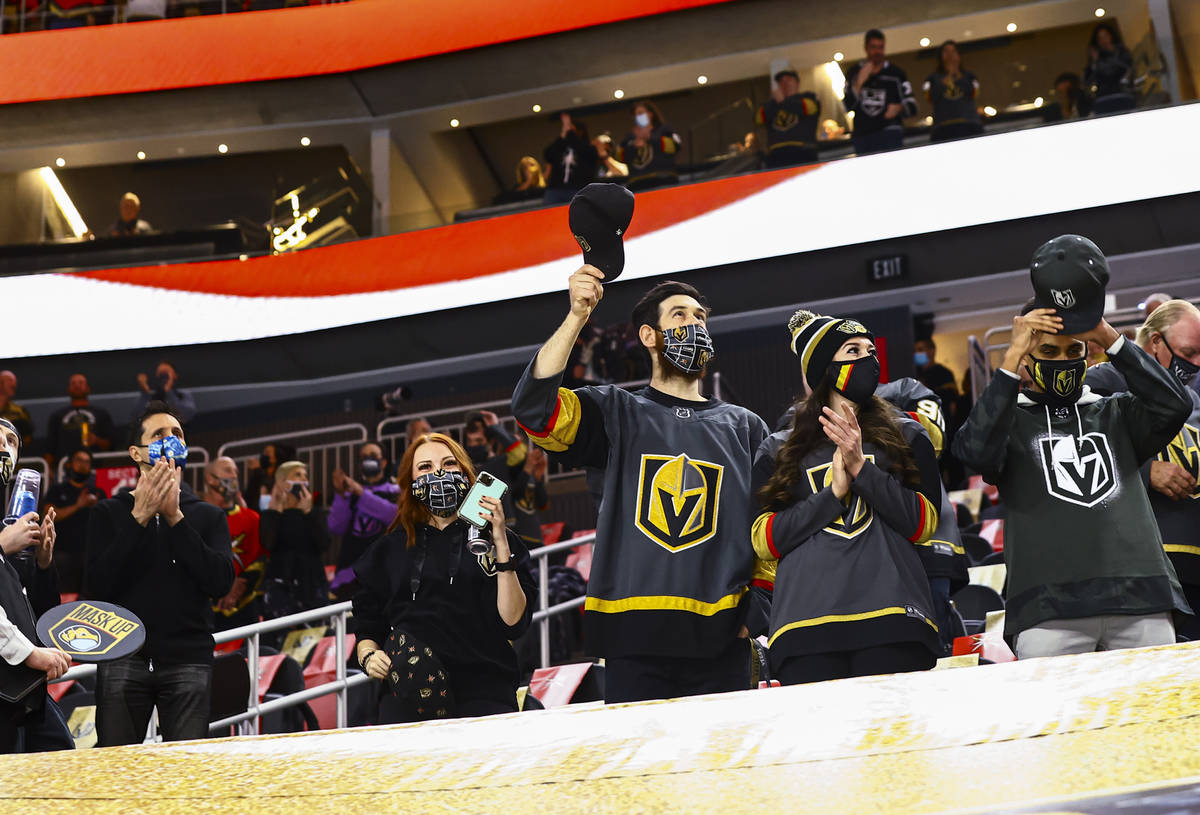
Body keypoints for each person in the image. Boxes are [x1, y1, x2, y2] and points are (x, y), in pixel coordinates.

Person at [512, 273, 773, 703]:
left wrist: (758, 610)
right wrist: (578, 316)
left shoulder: (746, 426)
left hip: (724, 635)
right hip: (631, 638)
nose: (695, 324)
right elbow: (533, 410)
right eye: (679, 315)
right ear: (649, 336)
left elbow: (769, 525)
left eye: (701, 317)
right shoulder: (614, 410)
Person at [951, 236, 1192, 659]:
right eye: (1048, 351)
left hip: (1142, 597)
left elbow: (1174, 403)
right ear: (1028, 358)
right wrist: (1011, 358)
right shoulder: (1008, 423)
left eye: (1073, 350)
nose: (1062, 361)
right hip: (1048, 607)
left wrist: (1108, 336)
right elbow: (972, 452)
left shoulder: (1117, 412)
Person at [752, 311, 941, 684]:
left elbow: (923, 524)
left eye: (870, 350)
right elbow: (764, 540)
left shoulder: (908, 434)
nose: (868, 360)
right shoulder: (777, 448)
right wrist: (833, 494)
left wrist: (862, 470)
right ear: (823, 370)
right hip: (804, 628)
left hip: (894, 620)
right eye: (852, 351)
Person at [352, 433, 536, 722]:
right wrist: (368, 657)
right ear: (410, 483)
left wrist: (500, 542)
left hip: (485, 694)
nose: (438, 473)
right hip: (409, 696)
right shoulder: (388, 548)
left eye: (449, 463)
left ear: (465, 473)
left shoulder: (499, 542)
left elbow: (513, 623)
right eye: (424, 467)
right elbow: (367, 627)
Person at [84, 401, 234, 745]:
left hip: (188, 660)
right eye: (159, 434)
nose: (171, 440)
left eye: (177, 434)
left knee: (184, 774)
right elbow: (96, 587)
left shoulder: (209, 516)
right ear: (136, 453)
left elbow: (220, 582)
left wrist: (175, 518)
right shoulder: (108, 513)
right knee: (116, 773)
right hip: (122, 657)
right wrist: (138, 518)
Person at [1084, 300, 1200, 640]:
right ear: (1154, 342)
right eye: (1189, 352)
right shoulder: (1104, 380)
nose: (1195, 364)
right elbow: (1075, 449)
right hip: (1138, 564)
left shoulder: (1195, 395)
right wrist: (1146, 470)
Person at [0, 418, 72, 754]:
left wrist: (43, 562)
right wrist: (29, 654)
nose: (4, 445)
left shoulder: (11, 518)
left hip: (20, 684)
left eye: (12, 441)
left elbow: (37, 612)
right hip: (12, 674)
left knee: (61, 757)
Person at [203, 456, 266, 634]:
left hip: (245, 610)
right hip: (204, 612)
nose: (234, 476)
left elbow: (261, 559)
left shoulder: (252, 518)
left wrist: (241, 585)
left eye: (236, 472)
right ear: (210, 478)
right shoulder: (194, 517)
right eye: (228, 470)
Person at [259, 460, 329, 620]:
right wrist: (275, 509)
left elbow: (324, 544)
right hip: (281, 586)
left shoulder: (315, 513)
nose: (304, 480)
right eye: (297, 475)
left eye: (305, 476)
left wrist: (308, 512)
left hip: (311, 584)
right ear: (282, 482)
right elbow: (268, 543)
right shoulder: (271, 515)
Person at [42, 448, 107, 595]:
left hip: (91, 556)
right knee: (65, 600)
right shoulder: (57, 490)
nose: (83, 465)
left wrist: (98, 508)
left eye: (87, 462)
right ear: (70, 464)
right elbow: (49, 515)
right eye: (79, 460)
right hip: (63, 555)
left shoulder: (98, 493)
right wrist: (78, 505)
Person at [844, 28, 917, 155]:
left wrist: (899, 108)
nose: (877, 52)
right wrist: (859, 83)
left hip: (890, 133)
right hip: (863, 136)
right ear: (866, 48)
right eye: (873, 47)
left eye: (881, 47)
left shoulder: (896, 74)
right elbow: (846, 106)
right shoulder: (853, 73)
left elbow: (913, 106)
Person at [329, 442, 400, 571]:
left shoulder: (396, 490)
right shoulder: (349, 492)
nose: (368, 459)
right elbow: (336, 527)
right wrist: (340, 495)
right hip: (351, 571)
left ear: (383, 462)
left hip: (385, 569)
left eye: (373, 455)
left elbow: (394, 516)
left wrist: (361, 493)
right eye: (364, 456)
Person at [45, 373, 114, 469]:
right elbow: (50, 447)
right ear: (68, 389)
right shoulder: (57, 416)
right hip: (65, 468)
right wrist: (49, 470)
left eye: (81, 383)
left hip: (95, 468)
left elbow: (111, 445)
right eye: (73, 383)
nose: (77, 385)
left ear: (88, 388)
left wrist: (96, 440)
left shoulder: (101, 414)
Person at [755, 69, 821, 168]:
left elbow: (809, 108)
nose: (784, 83)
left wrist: (782, 101)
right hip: (776, 155)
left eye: (789, 79)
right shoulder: (771, 104)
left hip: (803, 151)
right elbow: (758, 119)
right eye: (781, 81)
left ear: (797, 83)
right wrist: (774, 102)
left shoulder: (808, 97)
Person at [923, 40, 983, 142]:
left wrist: (959, 76)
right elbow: (930, 98)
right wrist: (944, 81)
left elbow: (974, 93)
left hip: (969, 125)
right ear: (941, 56)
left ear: (958, 55)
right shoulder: (931, 79)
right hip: (942, 128)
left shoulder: (969, 76)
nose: (950, 55)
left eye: (953, 51)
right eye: (946, 52)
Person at [617, 100, 682, 191]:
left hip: (664, 180)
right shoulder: (630, 137)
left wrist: (650, 137)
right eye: (635, 115)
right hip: (637, 185)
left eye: (640, 113)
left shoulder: (663, 130)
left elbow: (676, 146)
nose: (637, 117)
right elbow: (619, 157)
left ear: (651, 114)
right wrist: (634, 146)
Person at [543, 113, 599, 206]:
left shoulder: (588, 148)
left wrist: (570, 133)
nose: (570, 132)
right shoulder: (560, 147)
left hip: (578, 188)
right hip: (556, 189)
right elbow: (548, 155)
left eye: (572, 130)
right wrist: (563, 134)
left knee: (579, 214)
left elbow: (588, 154)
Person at [1085, 21, 1135, 114]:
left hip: (1122, 95)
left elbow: (1129, 69)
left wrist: (1113, 52)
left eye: (1106, 36)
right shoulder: (1095, 58)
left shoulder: (1122, 52)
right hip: (1103, 98)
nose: (1104, 40)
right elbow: (1088, 81)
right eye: (1100, 38)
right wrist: (1094, 62)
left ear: (1111, 36)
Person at [132, 360, 196, 426]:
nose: (163, 378)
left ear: (175, 375)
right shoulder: (151, 398)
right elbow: (136, 417)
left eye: (166, 374)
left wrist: (169, 391)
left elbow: (186, 415)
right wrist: (145, 394)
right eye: (161, 375)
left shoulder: (183, 395)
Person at [243, 443, 297, 512]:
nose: (263, 455)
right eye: (263, 452)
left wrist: (258, 470)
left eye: (267, 453)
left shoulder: (281, 478)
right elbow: (249, 498)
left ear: (274, 459)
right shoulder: (259, 475)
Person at [914, 338, 959, 404]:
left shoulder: (944, 373)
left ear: (932, 351)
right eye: (915, 350)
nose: (916, 353)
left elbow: (951, 400)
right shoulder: (915, 374)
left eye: (920, 350)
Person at [0, 372, 33, 448]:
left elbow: (28, 438)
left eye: (15, 382)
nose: (14, 384)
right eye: (10, 380)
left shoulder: (20, 411)